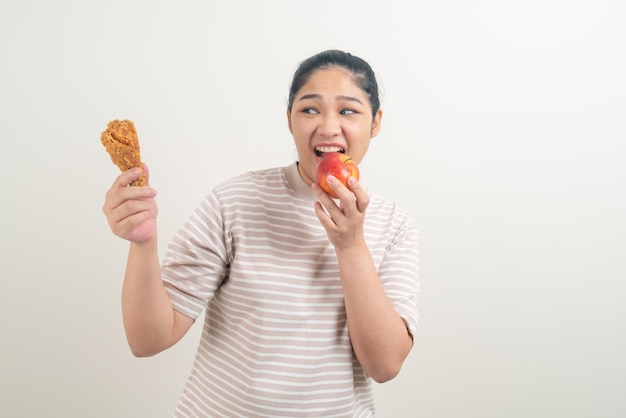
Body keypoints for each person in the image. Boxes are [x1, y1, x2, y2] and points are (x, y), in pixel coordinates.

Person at [103, 49, 420, 417]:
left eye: (348, 111)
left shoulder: (395, 224)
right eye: (310, 109)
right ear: (289, 120)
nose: (329, 126)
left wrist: (350, 246)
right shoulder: (235, 201)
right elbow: (148, 340)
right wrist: (144, 243)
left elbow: (384, 366)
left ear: (375, 122)